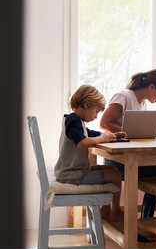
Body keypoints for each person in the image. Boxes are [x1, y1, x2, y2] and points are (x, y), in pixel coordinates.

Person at [100, 69, 156, 223]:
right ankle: (147, 222)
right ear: (151, 87)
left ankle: (155, 221)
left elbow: (137, 132)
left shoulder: (142, 104)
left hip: (135, 157)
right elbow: (104, 123)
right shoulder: (124, 96)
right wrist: (127, 133)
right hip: (118, 160)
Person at [54, 84, 127, 222]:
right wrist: (101, 138)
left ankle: (105, 210)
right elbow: (81, 142)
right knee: (114, 175)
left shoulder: (74, 121)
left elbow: (89, 133)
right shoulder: (73, 121)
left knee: (112, 169)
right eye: (97, 111)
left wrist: (112, 135)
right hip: (72, 175)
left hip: (74, 171)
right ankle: (115, 211)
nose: (96, 116)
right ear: (87, 104)